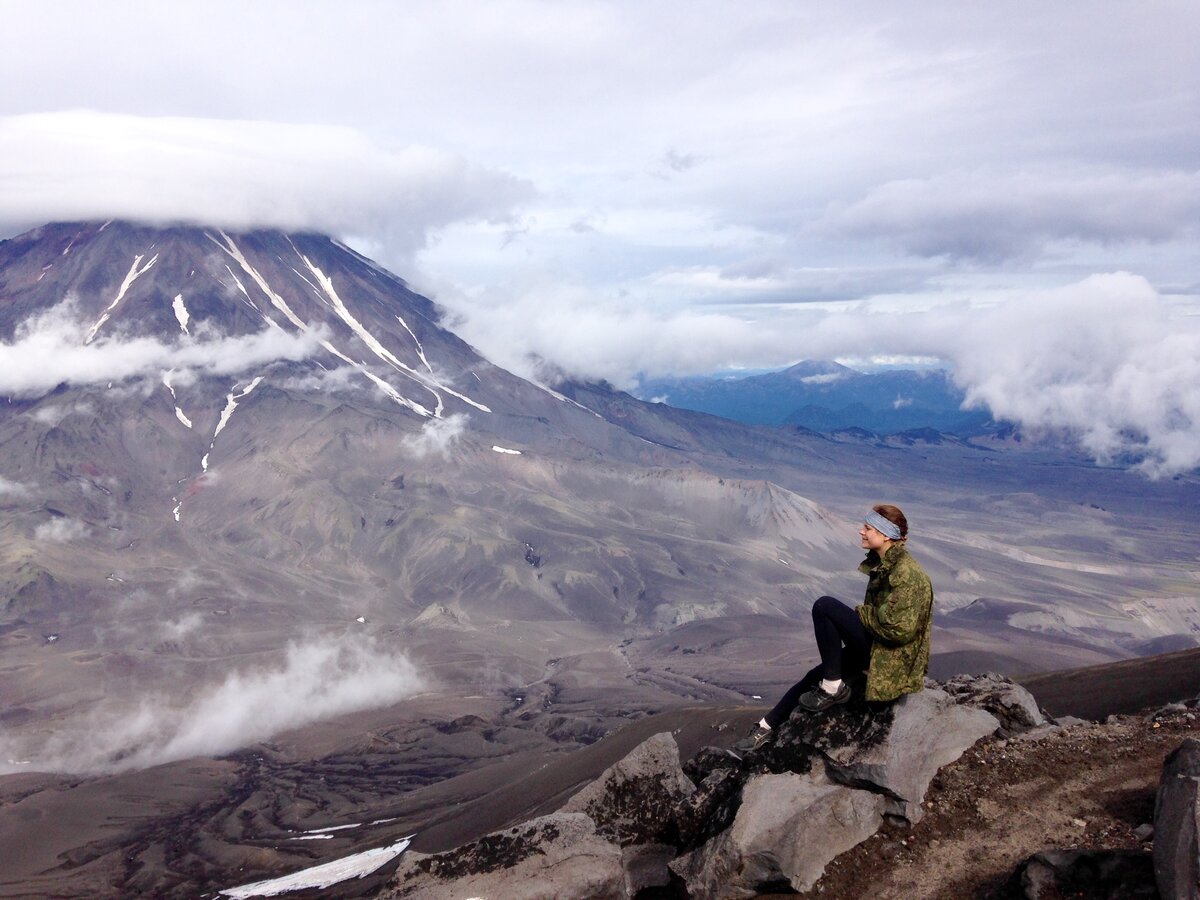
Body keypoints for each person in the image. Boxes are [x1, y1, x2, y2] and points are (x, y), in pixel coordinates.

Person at [739, 504, 933, 752]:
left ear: (885, 535)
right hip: (880, 647)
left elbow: (898, 630)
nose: (861, 531)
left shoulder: (907, 574)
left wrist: (862, 614)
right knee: (814, 676)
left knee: (825, 606)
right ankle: (765, 728)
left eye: (867, 528)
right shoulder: (888, 565)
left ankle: (832, 687)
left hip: (892, 660)